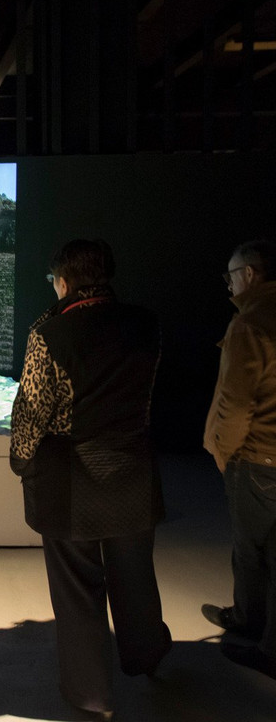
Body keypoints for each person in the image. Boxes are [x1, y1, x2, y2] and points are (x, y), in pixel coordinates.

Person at [10, 238, 171, 720]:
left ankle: (91, 693)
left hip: (71, 480)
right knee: (136, 574)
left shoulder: (50, 333)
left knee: (78, 588)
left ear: (63, 281)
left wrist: (20, 461)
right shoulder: (146, 324)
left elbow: (32, 411)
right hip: (133, 469)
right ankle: (145, 656)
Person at [201, 239, 276, 680]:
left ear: (249, 274)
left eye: (231, 276)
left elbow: (235, 402)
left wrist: (221, 451)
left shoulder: (250, 325)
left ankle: (252, 627)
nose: (229, 284)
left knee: (252, 550)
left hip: (258, 459)